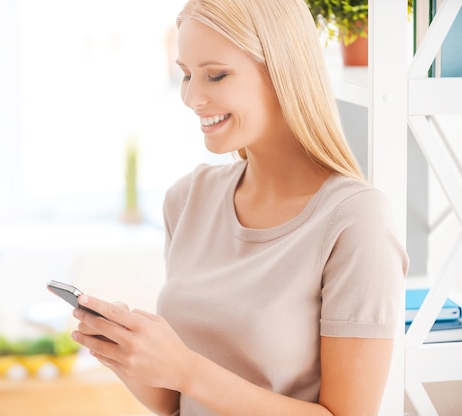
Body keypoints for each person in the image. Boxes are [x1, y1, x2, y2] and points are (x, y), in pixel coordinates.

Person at [71, 0, 409, 414]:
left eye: (216, 75)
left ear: (284, 71)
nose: (193, 97)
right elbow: (175, 402)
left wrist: (186, 370)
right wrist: (127, 352)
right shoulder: (188, 199)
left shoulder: (355, 220)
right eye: (186, 75)